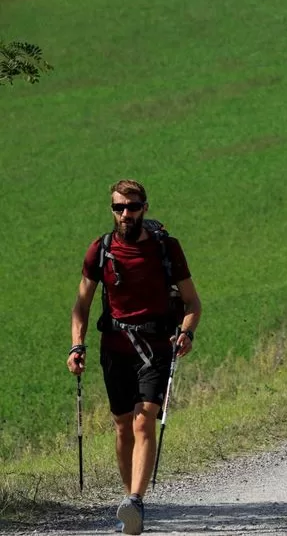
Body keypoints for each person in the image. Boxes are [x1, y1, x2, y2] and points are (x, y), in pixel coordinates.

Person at [66, 180, 202, 535]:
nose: (126, 214)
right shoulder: (101, 250)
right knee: (123, 425)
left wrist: (186, 332)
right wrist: (76, 345)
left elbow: (192, 302)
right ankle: (131, 500)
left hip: (156, 346)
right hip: (114, 348)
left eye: (133, 206)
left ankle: (136, 501)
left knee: (144, 422)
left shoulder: (166, 248)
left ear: (145, 207)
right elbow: (81, 305)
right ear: (112, 210)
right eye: (119, 208)